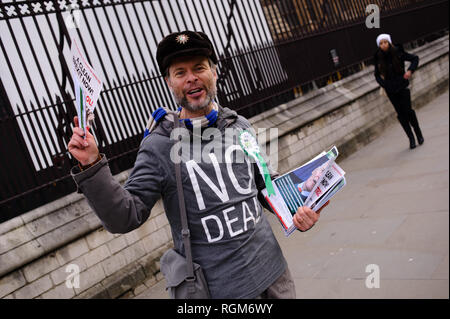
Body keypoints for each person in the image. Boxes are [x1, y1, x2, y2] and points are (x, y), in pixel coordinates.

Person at [68, 30, 327, 299]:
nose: (191, 77)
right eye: (180, 72)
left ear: (214, 72)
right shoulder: (160, 145)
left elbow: (265, 185)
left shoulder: (239, 126)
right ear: (169, 82)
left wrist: (303, 202)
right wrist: (92, 164)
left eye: (199, 67)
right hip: (219, 292)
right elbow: (124, 216)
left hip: (275, 278)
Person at [374, 33, 424, 149]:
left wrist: (410, 71)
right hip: (391, 90)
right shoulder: (378, 58)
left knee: (408, 111)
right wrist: (384, 84)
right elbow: (376, 75)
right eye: (381, 43)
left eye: (385, 42)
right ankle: (411, 138)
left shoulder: (398, 52)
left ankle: (418, 133)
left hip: (402, 86)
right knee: (401, 115)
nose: (383, 45)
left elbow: (414, 59)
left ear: (389, 42)